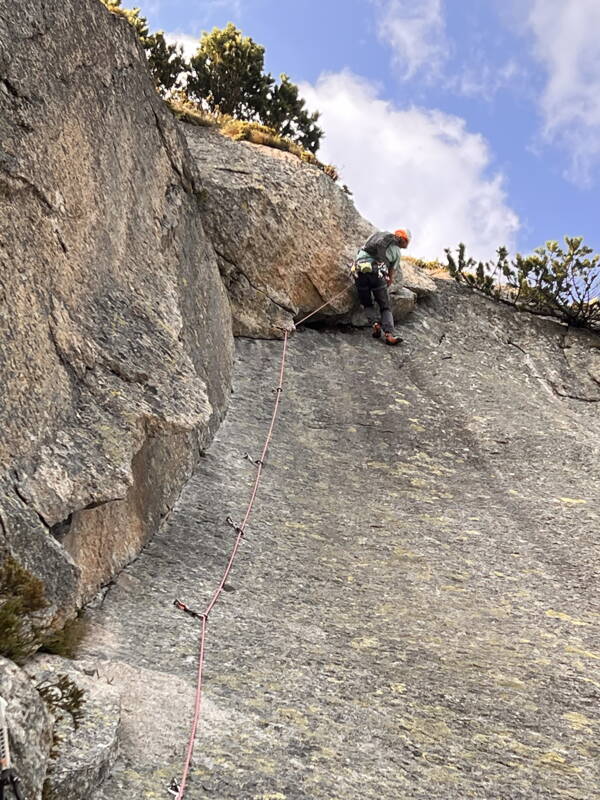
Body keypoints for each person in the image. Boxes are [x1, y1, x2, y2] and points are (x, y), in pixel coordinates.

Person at [351, 228, 411, 345]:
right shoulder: (397, 252)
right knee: (385, 306)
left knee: (367, 303)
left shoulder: (377, 238)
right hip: (377, 275)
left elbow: (361, 251)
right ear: (403, 241)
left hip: (359, 272)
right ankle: (389, 335)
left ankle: (375, 324)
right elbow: (391, 273)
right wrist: (387, 281)